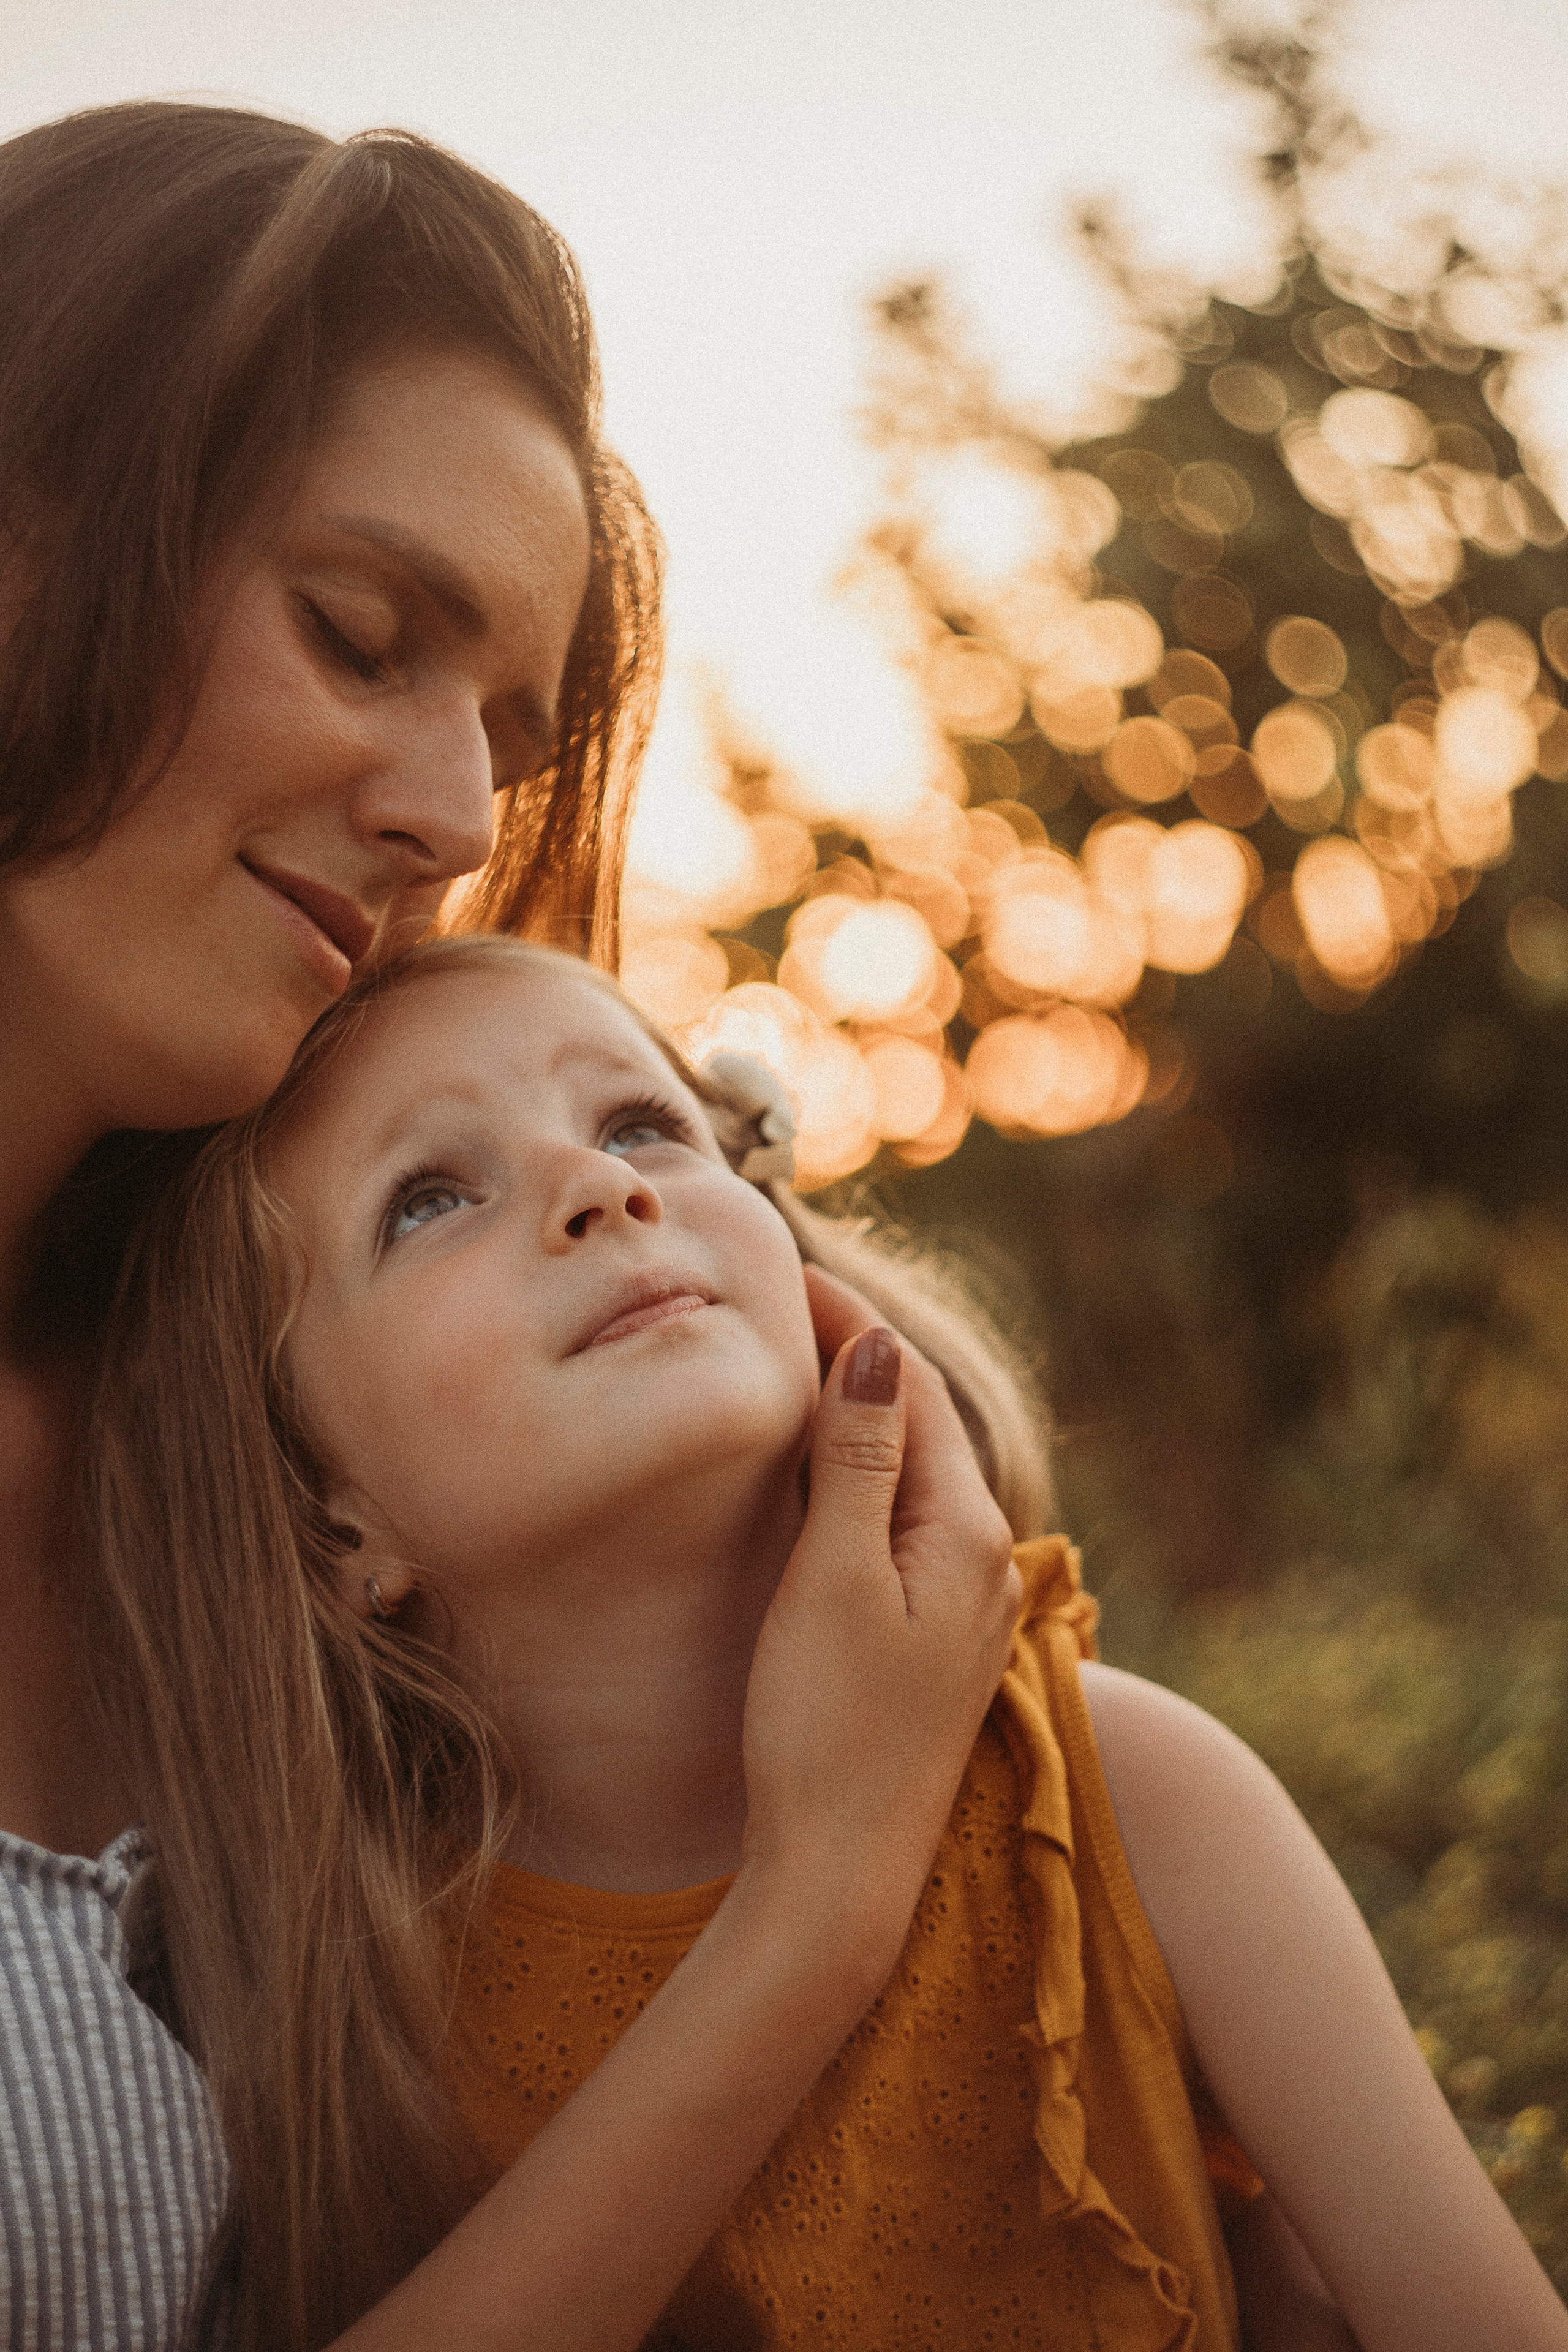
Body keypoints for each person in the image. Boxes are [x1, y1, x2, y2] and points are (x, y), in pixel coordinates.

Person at [0, 102, 1019, 2350]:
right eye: (361, 633)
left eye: (504, 730)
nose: (456, 815)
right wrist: (818, 1907)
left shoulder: (288, 1443)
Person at [86, 932, 1568, 2352]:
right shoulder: (347, 1991)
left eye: (642, 1123)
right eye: (426, 1199)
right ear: (330, 1524)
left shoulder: (1123, 1792)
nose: (595, 1184)